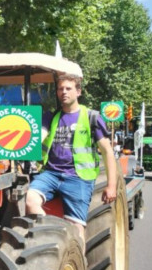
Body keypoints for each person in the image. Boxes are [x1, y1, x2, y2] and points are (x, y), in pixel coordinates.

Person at [25, 74, 117, 245]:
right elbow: (37, 138)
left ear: (78, 92)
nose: (64, 92)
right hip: (51, 174)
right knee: (30, 200)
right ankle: (51, 239)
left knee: (76, 227)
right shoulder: (51, 117)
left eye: (68, 88)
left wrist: (112, 186)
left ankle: (78, 265)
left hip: (78, 177)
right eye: (60, 89)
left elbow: (107, 152)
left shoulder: (91, 117)